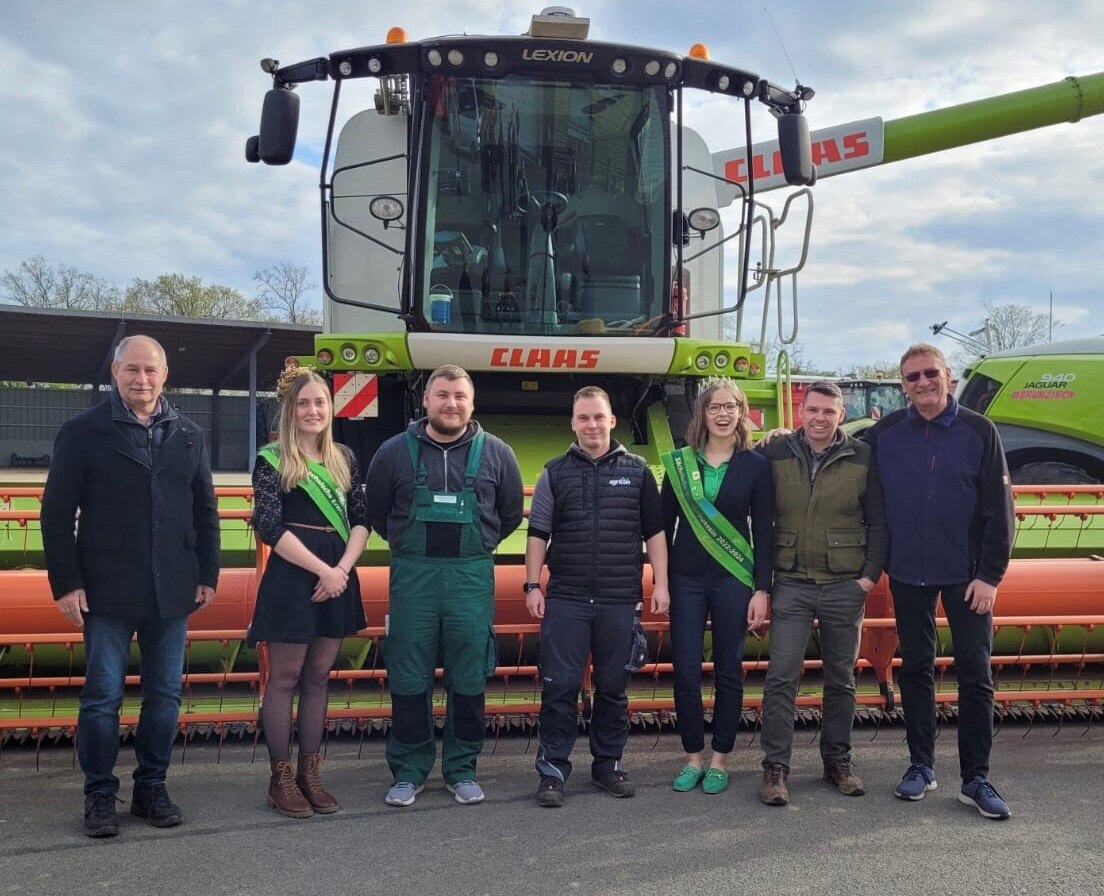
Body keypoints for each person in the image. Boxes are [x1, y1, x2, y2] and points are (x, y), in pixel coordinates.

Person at [40, 335, 220, 838]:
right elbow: (55, 515)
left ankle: (151, 787)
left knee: (164, 696)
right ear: (114, 373)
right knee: (102, 697)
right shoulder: (82, 432)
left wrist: (208, 573)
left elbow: (205, 510)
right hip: (105, 589)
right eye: (132, 370)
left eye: (151, 371)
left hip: (173, 590)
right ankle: (99, 794)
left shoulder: (187, 434)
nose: (142, 380)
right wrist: (67, 584)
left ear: (165, 376)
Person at [865, 344, 1015, 820]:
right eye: (912, 377)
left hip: (968, 577)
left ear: (948, 376)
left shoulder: (979, 431)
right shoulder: (884, 434)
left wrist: (990, 575)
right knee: (917, 670)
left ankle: (976, 778)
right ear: (902, 386)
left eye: (931, 373)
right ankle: (921, 766)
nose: (923, 382)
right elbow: (835, 453)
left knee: (976, 674)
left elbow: (1001, 512)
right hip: (908, 572)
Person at [365, 365, 523, 807]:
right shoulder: (394, 452)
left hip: (470, 577)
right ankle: (409, 771)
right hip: (413, 577)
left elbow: (509, 514)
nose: (450, 403)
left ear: (471, 404)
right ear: (426, 401)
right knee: (409, 673)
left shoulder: (497, 454)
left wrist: (481, 544)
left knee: (469, 675)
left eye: (459, 395)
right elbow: (377, 510)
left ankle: (462, 769)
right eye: (442, 395)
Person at [525, 385, 670, 808]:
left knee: (612, 688)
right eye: (583, 417)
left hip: (619, 599)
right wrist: (533, 585)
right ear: (573, 423)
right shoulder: (554, 471)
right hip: (567, 598)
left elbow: (655, 533)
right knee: (560, 686)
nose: (591, 424)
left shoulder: (639, 471)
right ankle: (552, 771)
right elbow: (538, 533)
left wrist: (660, 583)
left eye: (598, 417)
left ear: (612, 421)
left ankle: (608, 765)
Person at [756, 380, 888, 806]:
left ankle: (838, 761)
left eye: (828, 412)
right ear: (801, 411)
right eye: (812, 410)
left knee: (841, 679)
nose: (819, 418)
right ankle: (775, 767)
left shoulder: (863, 456)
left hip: (843, 584)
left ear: (841, 414)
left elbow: (879, 523)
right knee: (781, 677)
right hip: (791, 580)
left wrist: (866, 580)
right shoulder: (774, 452)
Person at [248, 367, 371, 818]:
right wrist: (324, 569)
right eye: (303, 403)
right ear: (289, 409)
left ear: (331, 408)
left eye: (320, 402)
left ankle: (310, 773)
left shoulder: (344, 458)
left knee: (319, 676)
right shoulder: (272, 459)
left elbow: (362, 519)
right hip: (294, 573)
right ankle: (279, 777)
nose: (313, 410)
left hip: (337, 573)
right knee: (284, 677)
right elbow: (268, 525)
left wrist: (340, 570)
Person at [659, 378, 772, 795]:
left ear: (742, 413)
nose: (723, 414)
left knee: (729, 670)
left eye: (731, 407)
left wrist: (762, 589)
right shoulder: (679, 464)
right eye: (714, 407)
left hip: (733, 579)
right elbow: (662, 524)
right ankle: (692, 757)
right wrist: (661, 582)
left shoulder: (755, 466)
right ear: (702, 414)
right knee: (686, 670)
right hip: (685, 579)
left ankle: (720, 759)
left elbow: (764, 529)